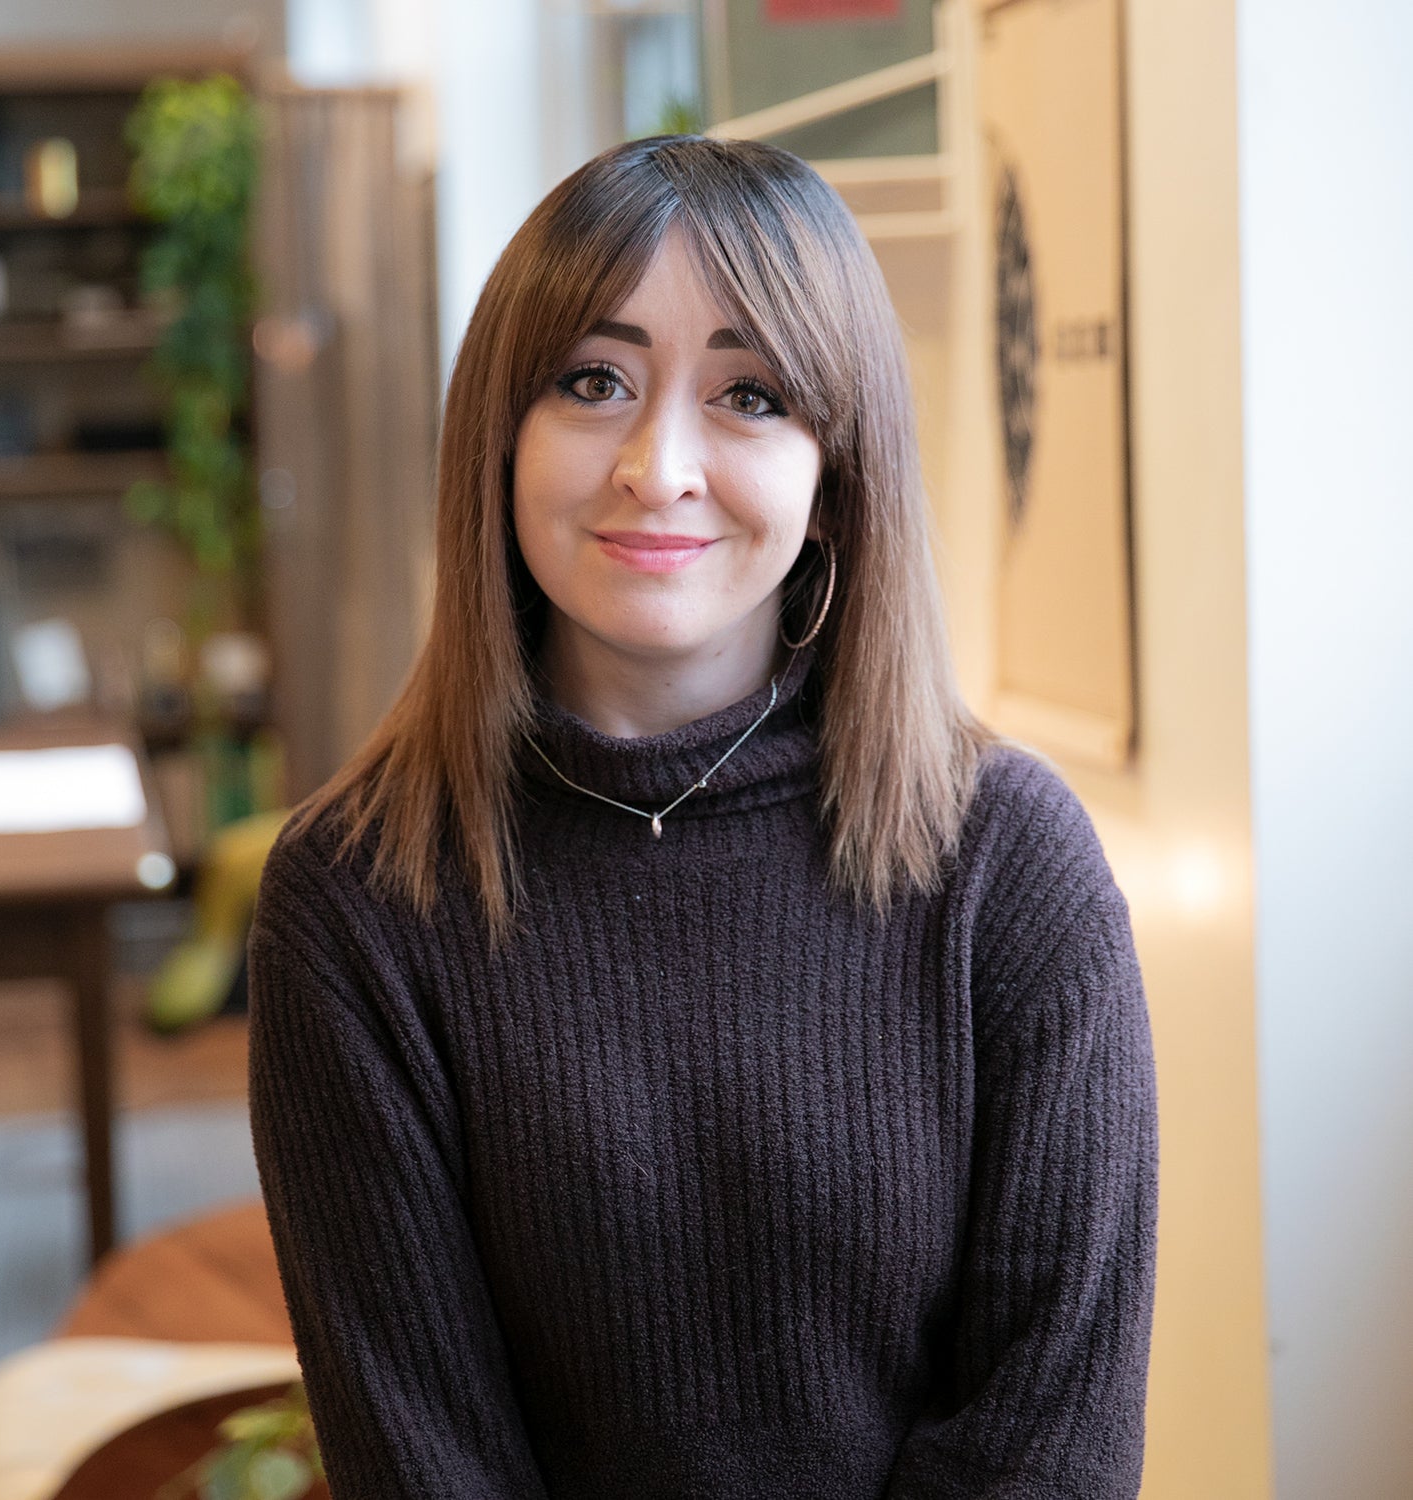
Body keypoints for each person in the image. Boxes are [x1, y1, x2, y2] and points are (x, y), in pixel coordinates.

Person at [247, 134, 1157, 1499]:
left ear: (835, 471)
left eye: (748, 394)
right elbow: (426, 1463)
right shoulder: (357, 895)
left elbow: (1053, 1440)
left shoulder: (1008, 864)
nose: (658, 466)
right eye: (594, 382)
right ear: (500, 435)